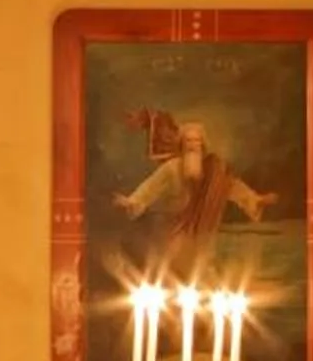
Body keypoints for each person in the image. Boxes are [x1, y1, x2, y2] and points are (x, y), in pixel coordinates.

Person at [112, 116, 276, 281]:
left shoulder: (213, 170)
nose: (192, 145)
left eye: (196, 141)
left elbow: (232, 187)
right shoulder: (172, 168)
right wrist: (131, 202)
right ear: (182, 144)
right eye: (188, 140)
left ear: (202, 145)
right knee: (174, 269)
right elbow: (150, 188)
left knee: (202, 269)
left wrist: (255, 200)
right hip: (174, 229)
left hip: (202, 230)